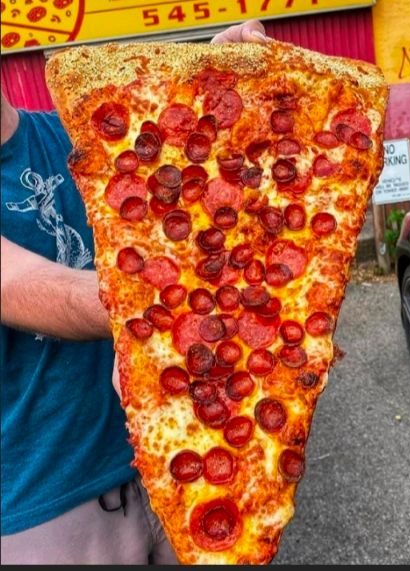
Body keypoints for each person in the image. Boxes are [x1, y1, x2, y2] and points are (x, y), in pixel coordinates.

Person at [0, 20, 271, 564]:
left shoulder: (67, 135)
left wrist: (213, 91)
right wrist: (181, 297)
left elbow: (179, 183)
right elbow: (24, 285)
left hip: (175, 458)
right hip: (46, 505)